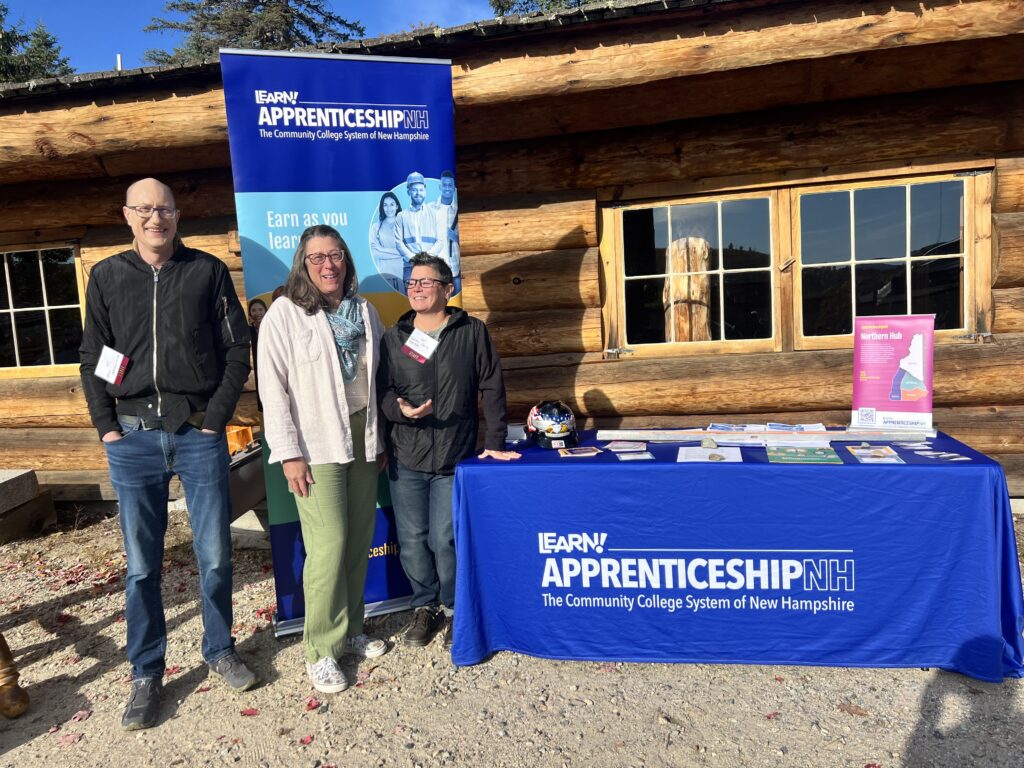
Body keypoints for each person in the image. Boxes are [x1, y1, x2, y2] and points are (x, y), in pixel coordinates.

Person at [79, 178, 257, 731]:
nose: (155, 218)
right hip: (132, 438)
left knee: (215, 554)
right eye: (145, 209)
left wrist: (215, 419)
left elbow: (237, 348)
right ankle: (146, 671)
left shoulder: (207, 272)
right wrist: (107, 428)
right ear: (127, 215)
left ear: (178, 216)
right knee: (141, 566)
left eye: (164, 209)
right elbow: (93, 356)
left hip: (197, 434)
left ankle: (219, 648)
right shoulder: (107, 277)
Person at [258, 225, 389, 694]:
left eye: (335, 255)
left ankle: (350, 629)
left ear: (346, 260)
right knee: (328, 545)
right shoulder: (285, 314)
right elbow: (272, 388)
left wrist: (380, 438)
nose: (328, 265)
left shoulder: (365, 311)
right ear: (303, 264)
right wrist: (288, 453)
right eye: (317, 258)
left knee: (357, 539)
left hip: (363, 436)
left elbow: (378, 380)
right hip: (315, 444)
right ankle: (320, 650)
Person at [377, 253, 521, 651]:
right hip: (406, 456)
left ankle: (457, 608)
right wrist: (399, 410)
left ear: (447, 289)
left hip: (453, 457)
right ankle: (425, 606)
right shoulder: (395, 337)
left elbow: (491, 385)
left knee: (445, 539)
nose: (416, 288)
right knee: (412, 539)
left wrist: (494, 443)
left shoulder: (471, 331)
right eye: (412, 282)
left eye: (426, 282)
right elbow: (383, 392)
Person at [395, 172, 443, 286]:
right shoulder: (401, 216)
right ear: (408, 192)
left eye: (421, 190)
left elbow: (441, 241)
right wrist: (414, 258)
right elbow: (398, 242)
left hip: (431, 265)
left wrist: (426, 258)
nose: (418, 193)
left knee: (431, 296)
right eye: (414, 190)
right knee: (412, 296)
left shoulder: (435, 213)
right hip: (410, 267)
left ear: (425, 191)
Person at [426, 170, 461, 294]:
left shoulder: (458, 209)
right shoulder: (429, 208)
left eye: (450, 185)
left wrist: (455, 237)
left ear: (454, 187)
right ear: (440, 187)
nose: (447, 188)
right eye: (444, 185)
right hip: (435, 268)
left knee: (456, 302)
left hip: (454, 268)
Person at [369, 191, 404, 292]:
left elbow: (408, 251)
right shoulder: (376, 227)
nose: (389, 208)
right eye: (385, 205)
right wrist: (399, 253)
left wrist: (382, 249)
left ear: (397, 206)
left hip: (403, 276)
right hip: (384, 277)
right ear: (382, 207)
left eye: (392, 204)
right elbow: (374, 254)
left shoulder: (405, 225)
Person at [248, 298, 268, 411]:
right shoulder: (248, 331)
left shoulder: (272, 327)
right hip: (257, 370)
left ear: (265, 311)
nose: (257, 313)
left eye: (260, 310)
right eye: (254, 310)